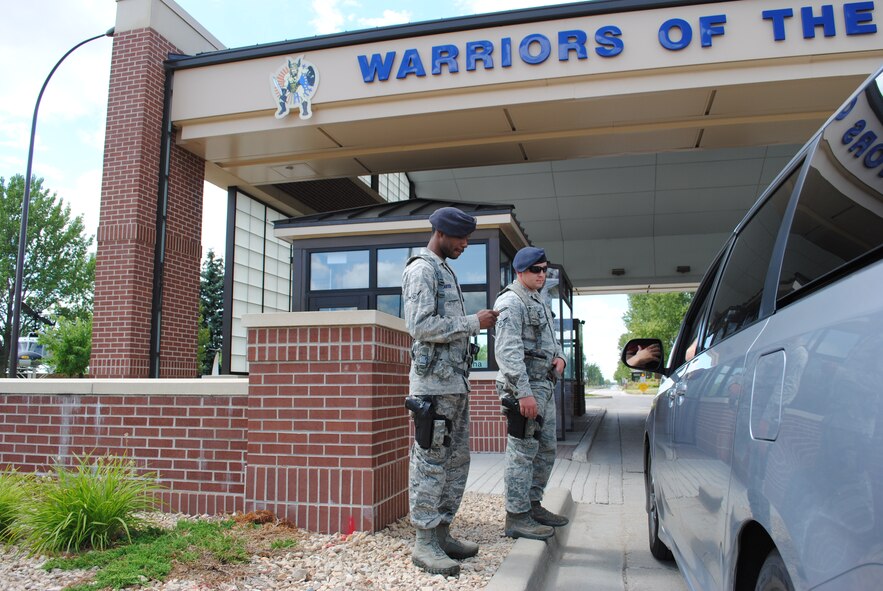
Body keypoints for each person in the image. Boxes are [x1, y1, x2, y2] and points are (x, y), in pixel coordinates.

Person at [402, 206, 500, 576]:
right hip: (433, 388)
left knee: (456, 463)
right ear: (441, 233)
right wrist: (475, 321)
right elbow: (421, 325)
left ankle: (442, 533)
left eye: (467, 238)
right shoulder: (422, 269)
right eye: (460, 237)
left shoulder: (444, 270)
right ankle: (424, 543)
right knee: (430, 464)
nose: (465, 244)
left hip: (454, 385)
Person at [494, 246, 569, 540]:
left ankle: (532, 505)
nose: (541, 275)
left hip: (544, 384)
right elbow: (508, 351)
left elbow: (551, 336)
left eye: (544, 270)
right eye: (535, 270)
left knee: (545, 449)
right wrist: (523, 393)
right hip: (524, 387)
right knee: (522, 452)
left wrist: (561, 356)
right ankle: (516, 516)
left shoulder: (538, 298)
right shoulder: (511, 302)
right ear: (520, 272)